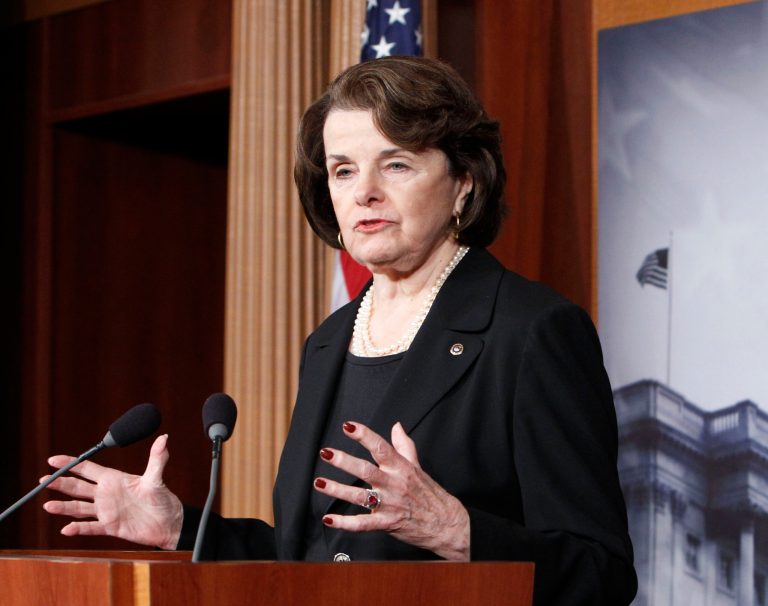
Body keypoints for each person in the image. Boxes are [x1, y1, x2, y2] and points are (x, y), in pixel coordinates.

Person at [42, 56, 637, 604]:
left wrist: (455, 530)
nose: (364, 192)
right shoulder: (330, 341)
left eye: (396, 163)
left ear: (465, 182)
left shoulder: (531, 332)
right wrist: (181, 527)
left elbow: (601, 573)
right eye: (343, 170)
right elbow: (313, 561)